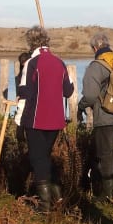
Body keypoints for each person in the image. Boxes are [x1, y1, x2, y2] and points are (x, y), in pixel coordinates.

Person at [18, 26, 74, 212]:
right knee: (44, 157)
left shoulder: (31, 63)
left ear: (30, 43)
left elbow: (24, 92)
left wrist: (18, 119)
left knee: (38, 158)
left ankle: (44, 206)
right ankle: (56, 198)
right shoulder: (60, 62)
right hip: (56, 120)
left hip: (35, 119)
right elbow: (69, 91)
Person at [77, 32, 113, 201]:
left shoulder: (96, 66)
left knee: (104, 153)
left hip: (104, 115)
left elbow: (91, 96)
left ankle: (108, 195)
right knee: (110, 151)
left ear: (94, 48)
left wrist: (81, 105)